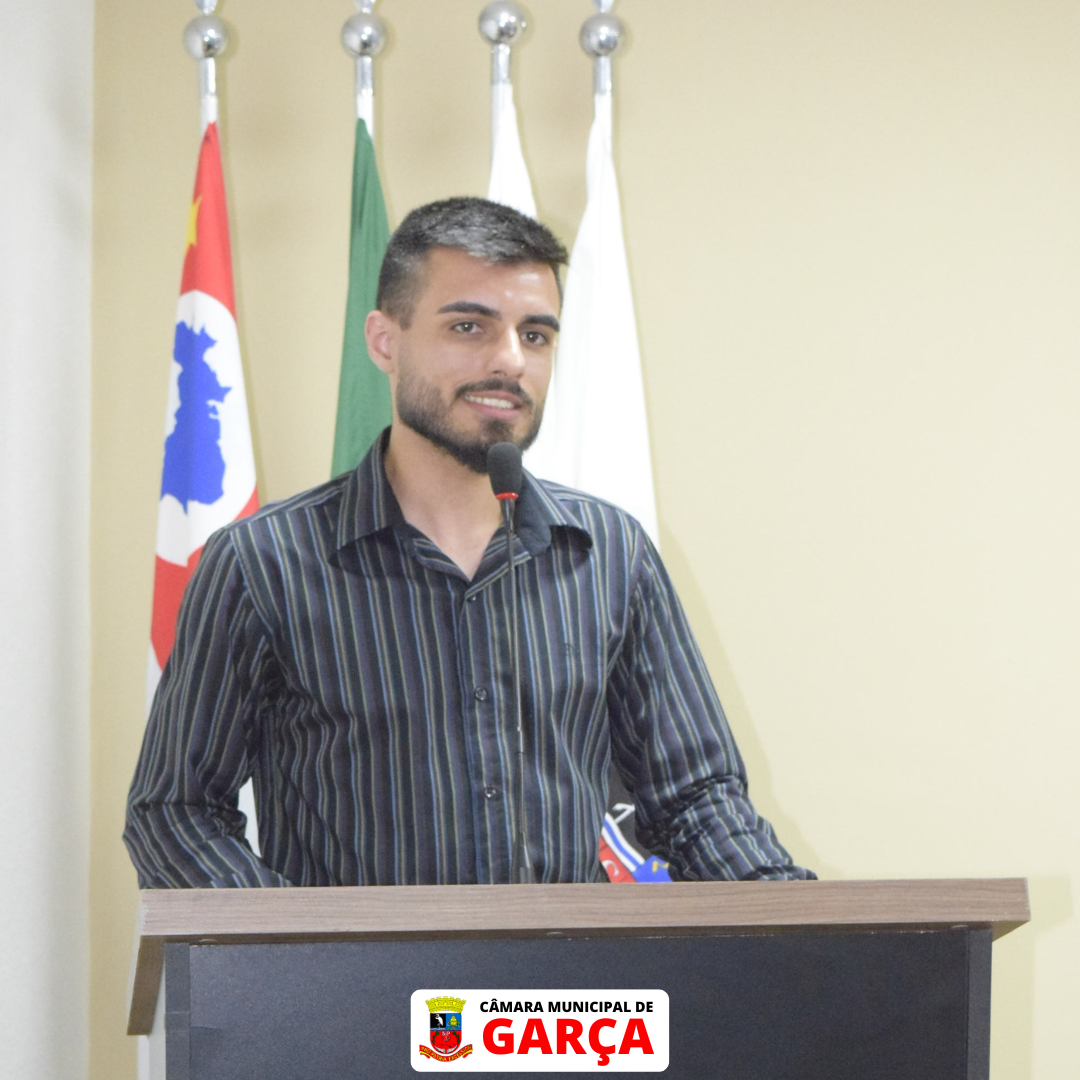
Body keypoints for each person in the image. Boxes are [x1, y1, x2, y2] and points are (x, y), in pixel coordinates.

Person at [124, 197, 814, 888]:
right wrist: (300, 940)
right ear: (385, 342)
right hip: (350, 964)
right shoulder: (263, 562)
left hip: (569, 962)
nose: (510, 361)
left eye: (536, 335)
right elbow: (175, 812)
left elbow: (696, 799)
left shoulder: (609, 553)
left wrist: (796, 919)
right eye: (468, 327)